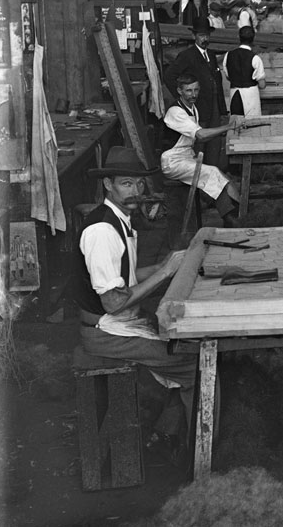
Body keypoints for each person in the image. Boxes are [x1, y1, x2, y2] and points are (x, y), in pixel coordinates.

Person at [75, 146, 196, 459]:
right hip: (106, 331)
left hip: (120, 320)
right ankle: (195, 451)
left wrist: (162, 266)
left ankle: (165, 434)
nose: (135, 191)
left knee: (188, 346)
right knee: (196, 364)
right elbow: (114, 301)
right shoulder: (102, 230)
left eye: (139, 184)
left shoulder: (121, 218)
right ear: (108, 185)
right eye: (126, 184)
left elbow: (124, 274)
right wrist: (165, 273)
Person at [161, 73, 242, 227]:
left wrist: (226, 131)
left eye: (196, 90)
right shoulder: (175, 112)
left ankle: (237, 213)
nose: (193, 95)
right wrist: (228, 127)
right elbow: (200, 135)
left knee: (220, 176)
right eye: (189, 91)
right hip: (172, 161)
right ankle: (231, 219)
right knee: (212, 173)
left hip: (186, 156)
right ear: (179, 91)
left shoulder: (193, 109)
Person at [164, 17, 228, 166]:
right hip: (198, 105)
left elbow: (216, 82)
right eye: (201, 35)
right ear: (194, 36)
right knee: (199, 144)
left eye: (206, 35)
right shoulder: (187, 56)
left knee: (214, 143)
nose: (204, 39)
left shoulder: (210, 55)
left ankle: (212, 174)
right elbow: (169, 76)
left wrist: (222, 109)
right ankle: (198, 179)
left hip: (213, 106)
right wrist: (184, 99)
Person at [223, 26, 266, 119]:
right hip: (251, 95)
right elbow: (262, 85)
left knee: (235, 124)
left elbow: (227, 76)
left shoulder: (228, 55)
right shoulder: (255, 58)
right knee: (252, 125)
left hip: (234, 94)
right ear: (253, 39)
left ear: (238, 37)